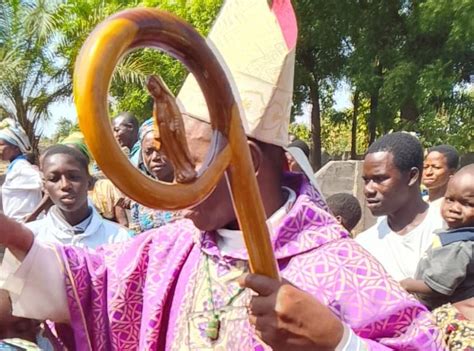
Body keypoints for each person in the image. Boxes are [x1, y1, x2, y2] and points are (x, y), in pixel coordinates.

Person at [0, 1, 442, 350]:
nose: (176, 190)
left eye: (188, 168)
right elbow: (89, 285)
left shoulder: (340, 267)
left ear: (246, 162)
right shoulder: (173, 247)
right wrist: (9, 233)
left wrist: (338, 343)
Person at [356, 132, 445, 281]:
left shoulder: (447, 230)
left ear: (412, 176)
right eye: (366, 180)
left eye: (380, 179)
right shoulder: (364, 245)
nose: (368, 189)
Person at [23, 144, 131, 248]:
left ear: (88, 181)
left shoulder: (118, 238)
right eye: (54, 179)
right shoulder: (29, 239)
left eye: (73, 177)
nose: (65, 185)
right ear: (45, 186)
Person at [401, 164, 474, 309]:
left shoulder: (458, 246)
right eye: (449, 199)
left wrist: (407, 284)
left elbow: (436, 287)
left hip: (442, 314)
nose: (454, 209)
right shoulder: (454, 234)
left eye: (467, 203)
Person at [129, 118, 182, 233]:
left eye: (161, 149)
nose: (154, 158)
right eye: (148, 152)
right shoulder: (140, 197)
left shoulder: (193, 191)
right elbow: (135, 238)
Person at [0, 118, 42, 222]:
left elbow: (49, 185)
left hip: (27, 226)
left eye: (1, 144)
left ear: (16, 148)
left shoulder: (22, 168)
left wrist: (34, 214)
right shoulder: (14, 168)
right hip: (18, 226)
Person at [422, 144, 459, 209]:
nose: (428, 172)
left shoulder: (452, 209)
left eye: (436, 167)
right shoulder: (419, 203)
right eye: (425, 167)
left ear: (452, 172)